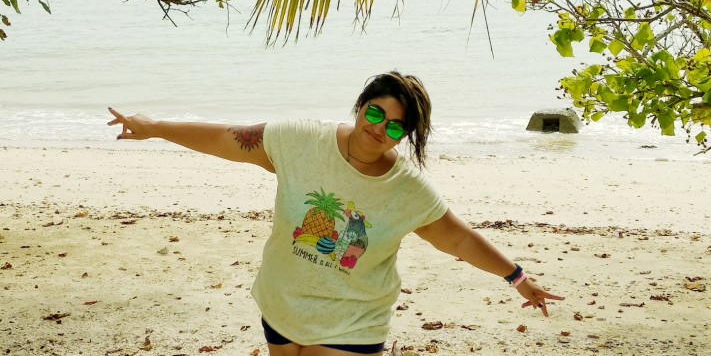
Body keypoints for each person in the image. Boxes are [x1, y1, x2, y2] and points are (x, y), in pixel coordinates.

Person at [108, 71, 563, 356]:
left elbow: (458, 238)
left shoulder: (406, 189)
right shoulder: (301, 141)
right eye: (375, 113)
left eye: (395, 126)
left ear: (405, 135)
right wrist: (155, 128)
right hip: (281, 307)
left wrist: (518, 278)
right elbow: (229, 138)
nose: (379, 129)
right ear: (360, 105)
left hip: (352, 322)